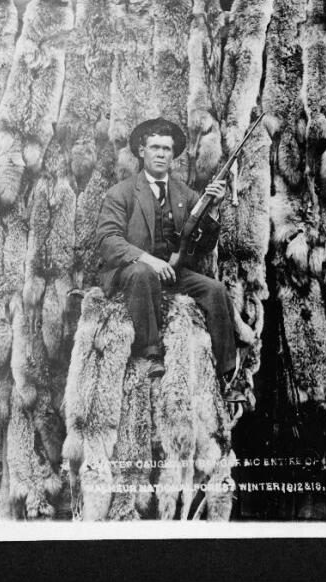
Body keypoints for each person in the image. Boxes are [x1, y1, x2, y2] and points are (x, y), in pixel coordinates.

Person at [95, 118, 246, 404]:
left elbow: (203, 246)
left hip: (174, 271)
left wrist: (212, 210)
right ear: (142, 152)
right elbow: (108, 241)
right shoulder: (121, 193)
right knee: (142, 273)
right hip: (134, 271)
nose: (161, 154)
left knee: (216, 291)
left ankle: (228, 374)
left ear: (173, 155)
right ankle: (152, 354)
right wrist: (147, 259)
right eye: (155, 147)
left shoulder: (185, 195)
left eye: (167, 149)